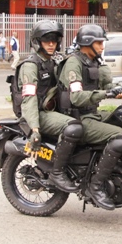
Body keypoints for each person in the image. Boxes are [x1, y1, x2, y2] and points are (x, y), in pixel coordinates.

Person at [57, 24, 122, 211]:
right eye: (98, 42)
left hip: (92, 114)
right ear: (87, 42)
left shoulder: (94, 61)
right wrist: (106, 95)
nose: (102, 46)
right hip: (78, 117)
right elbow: (77, 97)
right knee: (120, 137)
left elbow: (107, 86)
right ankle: (95, 186)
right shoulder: (74, 63)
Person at [16, 20, 80, 193]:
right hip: (37, 114)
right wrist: (34, 129)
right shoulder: (30, 66)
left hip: (52, 110)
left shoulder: (54, 61)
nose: (51, 44)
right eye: (47, 40)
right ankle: (57, 173)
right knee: (73, 127)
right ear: (37, 41)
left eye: (55, 40)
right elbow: (29, 98)